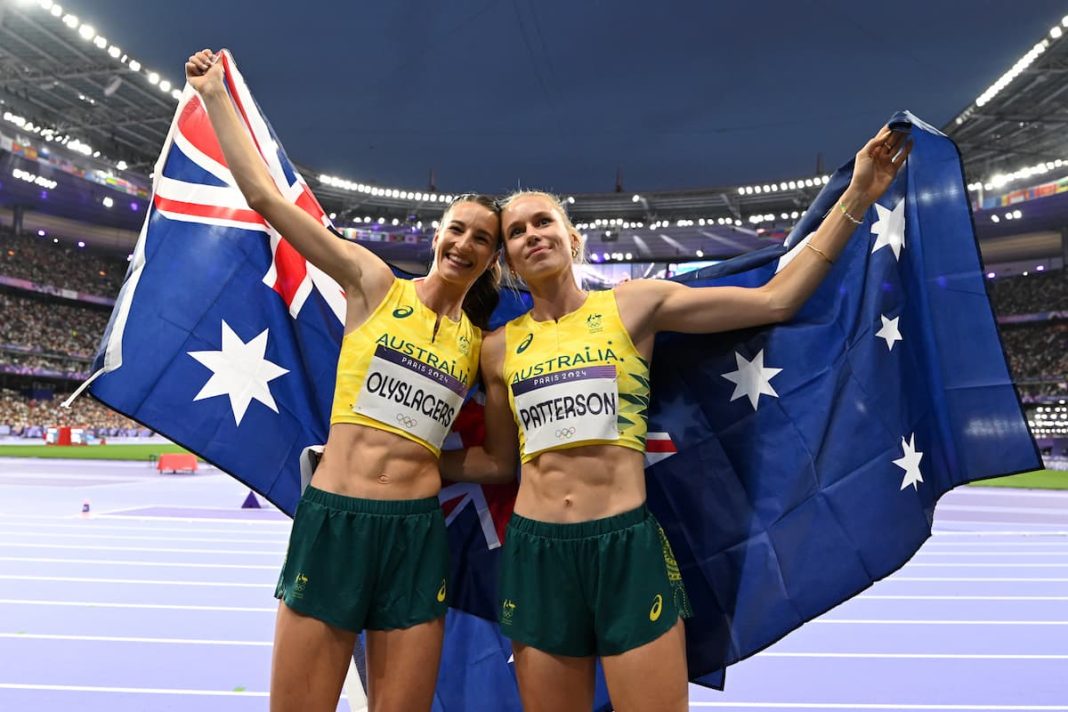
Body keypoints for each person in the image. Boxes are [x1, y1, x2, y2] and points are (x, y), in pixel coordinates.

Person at [446, 125, 911, 711]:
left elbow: (777, 300)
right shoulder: (496, 348)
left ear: (573, 238)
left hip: (625, 549)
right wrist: (416, 464)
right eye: (517, 231)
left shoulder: (635, 304)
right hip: (537, 555)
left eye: (544, 223)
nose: (532, 235)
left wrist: (857, 198)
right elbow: (498, 461)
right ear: (508, 259)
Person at [185, 49, 503, 712]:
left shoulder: (482, 348)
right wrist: (217, 96)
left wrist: (431, 468)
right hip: (336, 524)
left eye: (482, 238)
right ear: (438, 234)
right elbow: (268, 199)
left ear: (492, 258)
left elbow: (495, 460)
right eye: (457, 229)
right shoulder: (374, 283)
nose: (465, 243)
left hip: (415, 534)